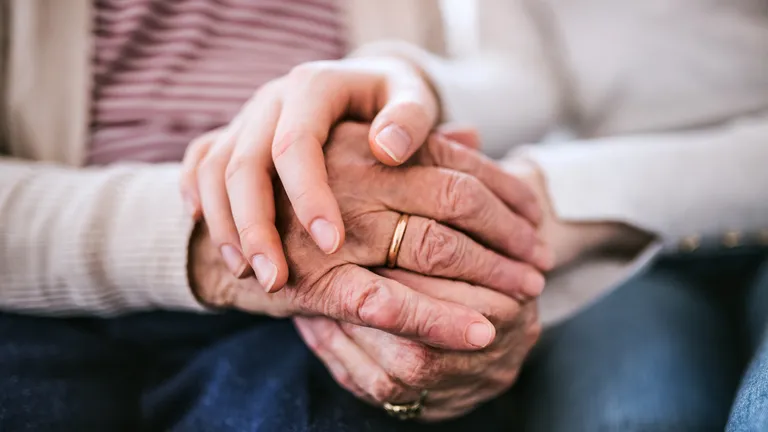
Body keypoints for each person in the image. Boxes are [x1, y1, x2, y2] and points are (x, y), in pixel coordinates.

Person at [1, 0, 767, 431]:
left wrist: (413, 94)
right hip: (55, 287)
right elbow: (520, 77)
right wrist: (211, 235)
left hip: (338, 281)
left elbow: (510, 82)